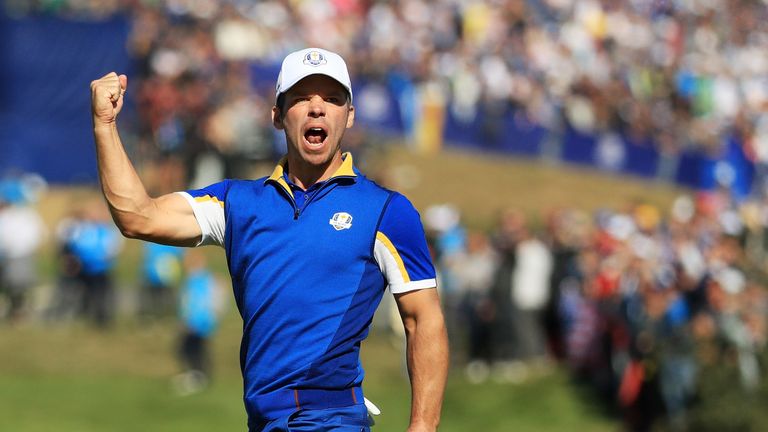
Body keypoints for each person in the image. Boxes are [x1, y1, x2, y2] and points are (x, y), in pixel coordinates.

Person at [90, 47, 449, 431]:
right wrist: (104, 126)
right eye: (301, 99)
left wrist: (422, 427)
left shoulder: (386, 211)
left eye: (332, 99)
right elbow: (138, 217)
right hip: (264, 421)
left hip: (330, 419)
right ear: (277, 116)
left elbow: (423, 319)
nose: (317, 109)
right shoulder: (238, 203)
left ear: (349, 115)